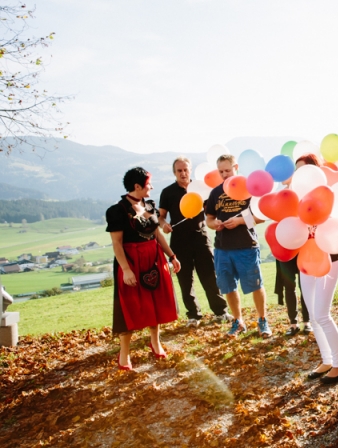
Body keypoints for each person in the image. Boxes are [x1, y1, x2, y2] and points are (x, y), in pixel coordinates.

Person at [107, 167, 180, 371]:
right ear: (137, 186)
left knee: (154, 303)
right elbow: (117, 243)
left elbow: (157, 235)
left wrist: (172, 256)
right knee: (129, 306)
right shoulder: (117, 210)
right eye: (148, 184)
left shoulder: (150, 205)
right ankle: (124, 353)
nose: (152, 187)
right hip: (130, 260)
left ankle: (155, 342)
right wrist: (126, 270)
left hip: (153, 259)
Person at [158, 156, 231, 327]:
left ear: (190, 170)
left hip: (201, 238)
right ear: (174, 172)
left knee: (210, 277)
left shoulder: (200, 188)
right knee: (185, 280)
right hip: (179, 241)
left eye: (185, 170)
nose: (183, 173)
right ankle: (193, 315)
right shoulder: (167, 192)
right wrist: (164, 225)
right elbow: (160, 217)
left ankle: (221, 311)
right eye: (179, 171)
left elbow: (210, 212)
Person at [293, 154, 338, 384]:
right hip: (306, 262)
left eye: (303, 170)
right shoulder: (295, 200)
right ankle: (326, 360)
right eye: (297, 171)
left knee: (323, 315)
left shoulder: (328, 198)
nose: (299, 175)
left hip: (328, 260)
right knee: (313, 317)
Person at [205, 154, 271, 337]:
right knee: (228, 287)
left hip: (246, 246)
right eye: (221, 171)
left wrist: (240, 221)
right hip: (222, 248)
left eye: (228, 170)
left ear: (236, 167)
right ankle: (238, 321)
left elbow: (261, 215)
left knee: (256, 285)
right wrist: (215, 223)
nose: (225, 174)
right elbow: (208, 218)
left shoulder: (249, 189)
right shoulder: (215, 192)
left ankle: (262, 320)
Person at [275, 257, 311, 335]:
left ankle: (307, 322)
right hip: (285, 252)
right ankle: (293, 324)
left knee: (304, 286)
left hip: (302, 251)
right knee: (289, 287)